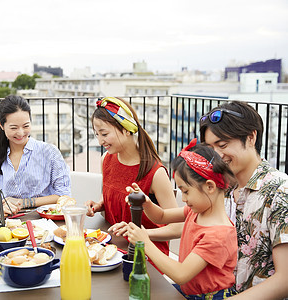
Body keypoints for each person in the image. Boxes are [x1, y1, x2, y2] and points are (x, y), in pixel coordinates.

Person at [117, 140, 238, 299]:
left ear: (210, 187)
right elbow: (161, 216)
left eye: (186, 191)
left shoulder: (218, 234)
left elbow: (181, 274)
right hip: (189, 290)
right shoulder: (198, 211)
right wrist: (146, 202)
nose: (184, 198)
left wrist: (145, 242)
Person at [199, 101, 288, 299]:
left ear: (251, 137)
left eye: (222, 145)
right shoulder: (226, 185)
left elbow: (285, 280)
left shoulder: (280, 191)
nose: (216, 156)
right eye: (210, 148)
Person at [85, 96, 179, 259]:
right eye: (97, 135)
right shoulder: (106, 160)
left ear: (126, 128)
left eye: (104, 134)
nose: (100, 141)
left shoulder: (155, 172)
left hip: (145, 256)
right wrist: (100, 204)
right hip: (112, 249)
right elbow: (111, 192)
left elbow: (177, 228)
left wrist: (139, 234)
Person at [0, 95, 71, 214]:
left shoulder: (49, 152)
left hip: (44, 219)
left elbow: (63, 195)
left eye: (26, 126)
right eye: (14, 128)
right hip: (6, 220)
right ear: (1, 125)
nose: (20, 133)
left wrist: (23, 202)